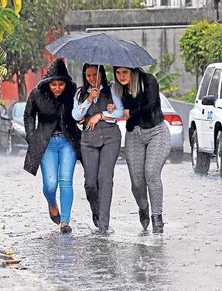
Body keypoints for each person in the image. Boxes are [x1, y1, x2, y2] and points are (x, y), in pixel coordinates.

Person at [23, 58, 81, 234]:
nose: (57, 88)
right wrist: (32, 137)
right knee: (50, 184)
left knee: (65, 180)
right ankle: (52, 203)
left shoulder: (72, 94)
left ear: (66, 83)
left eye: (60, 84)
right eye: (54, 84)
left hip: (67, 142)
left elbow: (80, 113)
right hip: (45, 143)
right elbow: (28, 115)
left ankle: (65, 221)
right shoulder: (37, 94)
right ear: (48, 83)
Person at [113, 66, 171, 233]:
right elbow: (114, 108)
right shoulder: (118, 89)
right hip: (134, 135)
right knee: (137, 183)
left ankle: (157, 219)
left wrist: (131, 112)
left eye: (125, 72)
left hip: (157, 132)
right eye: (118, 73)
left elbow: (151, 104)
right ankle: (143, 207)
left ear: (132, 70)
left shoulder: (148, 80)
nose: (121, 76)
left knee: (151, 173)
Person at [72, 64, 123, 234]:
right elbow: (76, 116)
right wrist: (88, 101)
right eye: (89, 75)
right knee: (90, 183)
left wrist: (100, 115)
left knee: (105, 178)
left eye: (96, 74)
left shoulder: (111, 89)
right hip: (89, 140)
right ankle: (96, 212)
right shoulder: (80, 94)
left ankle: (104, 224)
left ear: (102, 74)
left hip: (110, 138)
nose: (93, 78)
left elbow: (120, 112)